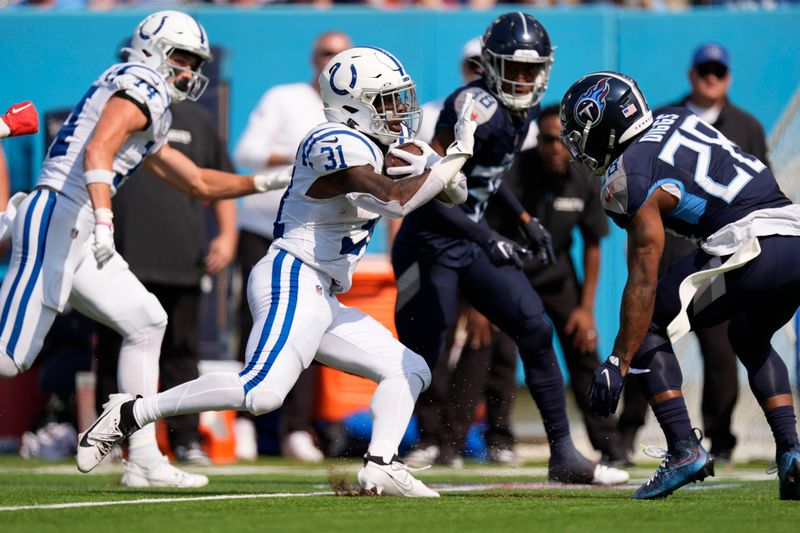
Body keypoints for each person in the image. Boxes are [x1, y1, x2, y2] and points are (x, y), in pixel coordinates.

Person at [77, 46, 475, 498]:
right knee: (261, 392)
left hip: (322, 292)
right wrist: (453, 158)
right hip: (293, 275)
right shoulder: (331, 141)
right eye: (387, 100)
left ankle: (381, 464)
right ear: (352, 102)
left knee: (409, 369)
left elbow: (449, 195)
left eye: (402, 98)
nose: (399, 111)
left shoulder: (384, 145)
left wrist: (449, 171)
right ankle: (134, 412)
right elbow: (395, 198)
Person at [0, 10, 288, 488]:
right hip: (62, 219)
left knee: (147, 321)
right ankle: (142, 457)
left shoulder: (148, 96)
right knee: (9, 360)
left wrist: (270, 180)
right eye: (181, 58)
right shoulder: (142, 82)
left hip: (79, 223)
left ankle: (143, 457)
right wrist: (106, 221)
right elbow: (98, 151)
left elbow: (196, 181)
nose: (189, 71)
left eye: (195, 62)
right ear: (152, 48)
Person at [392, 12, 627, 485]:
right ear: (491, 64)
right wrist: (490, 237)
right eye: (513, 69)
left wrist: (522, 220)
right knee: (422, 352)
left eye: (529, 70)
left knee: (535, 329)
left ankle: (563, 454)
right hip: (431, 241)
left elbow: (487, 177)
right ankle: (392, 451)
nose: (521, 80)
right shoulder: (472, 107)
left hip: (468, 238)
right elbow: (431, 188)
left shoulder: (521, 114)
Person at [560, 71, 800, 500]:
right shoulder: (673, 116)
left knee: (647, 323)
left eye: (580, 132)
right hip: (793, 236)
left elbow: (643, 279)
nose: (577, 144)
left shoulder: (624, 178)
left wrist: (617, 360)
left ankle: (682, 449)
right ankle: (791, 452)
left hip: (748, 243)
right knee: (749, 334)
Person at [617, 42, 772, 464]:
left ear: (728, 77)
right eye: (704, 69)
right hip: (671, 249)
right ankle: (626, 435)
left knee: (719, 350)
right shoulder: (662, 118)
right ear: (691, 74)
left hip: (726, 250)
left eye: (717, 70)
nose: (710, 76)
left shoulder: (746, 125)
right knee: (645, 332)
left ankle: (718, 441)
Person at [94, 97, 239, 466]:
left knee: (180, 353)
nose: (184, 71)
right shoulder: (114, 110)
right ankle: (108, 441)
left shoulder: (199, 119)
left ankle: (186, 440)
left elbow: (216, 179)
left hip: (183, 257)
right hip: (120, 256)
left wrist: (227, 236)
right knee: (113, 350)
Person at [233, 30, 352, 462]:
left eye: (341, 55)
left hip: (314, 237)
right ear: (312, 57)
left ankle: (297, 428)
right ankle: (245, 421)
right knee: (254, 326)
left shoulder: (353, 111)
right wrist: (302, 158)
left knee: (309, 328)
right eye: (325, 53)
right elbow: (246, 150)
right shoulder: (284, 98)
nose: (331, 61)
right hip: (263, 228)